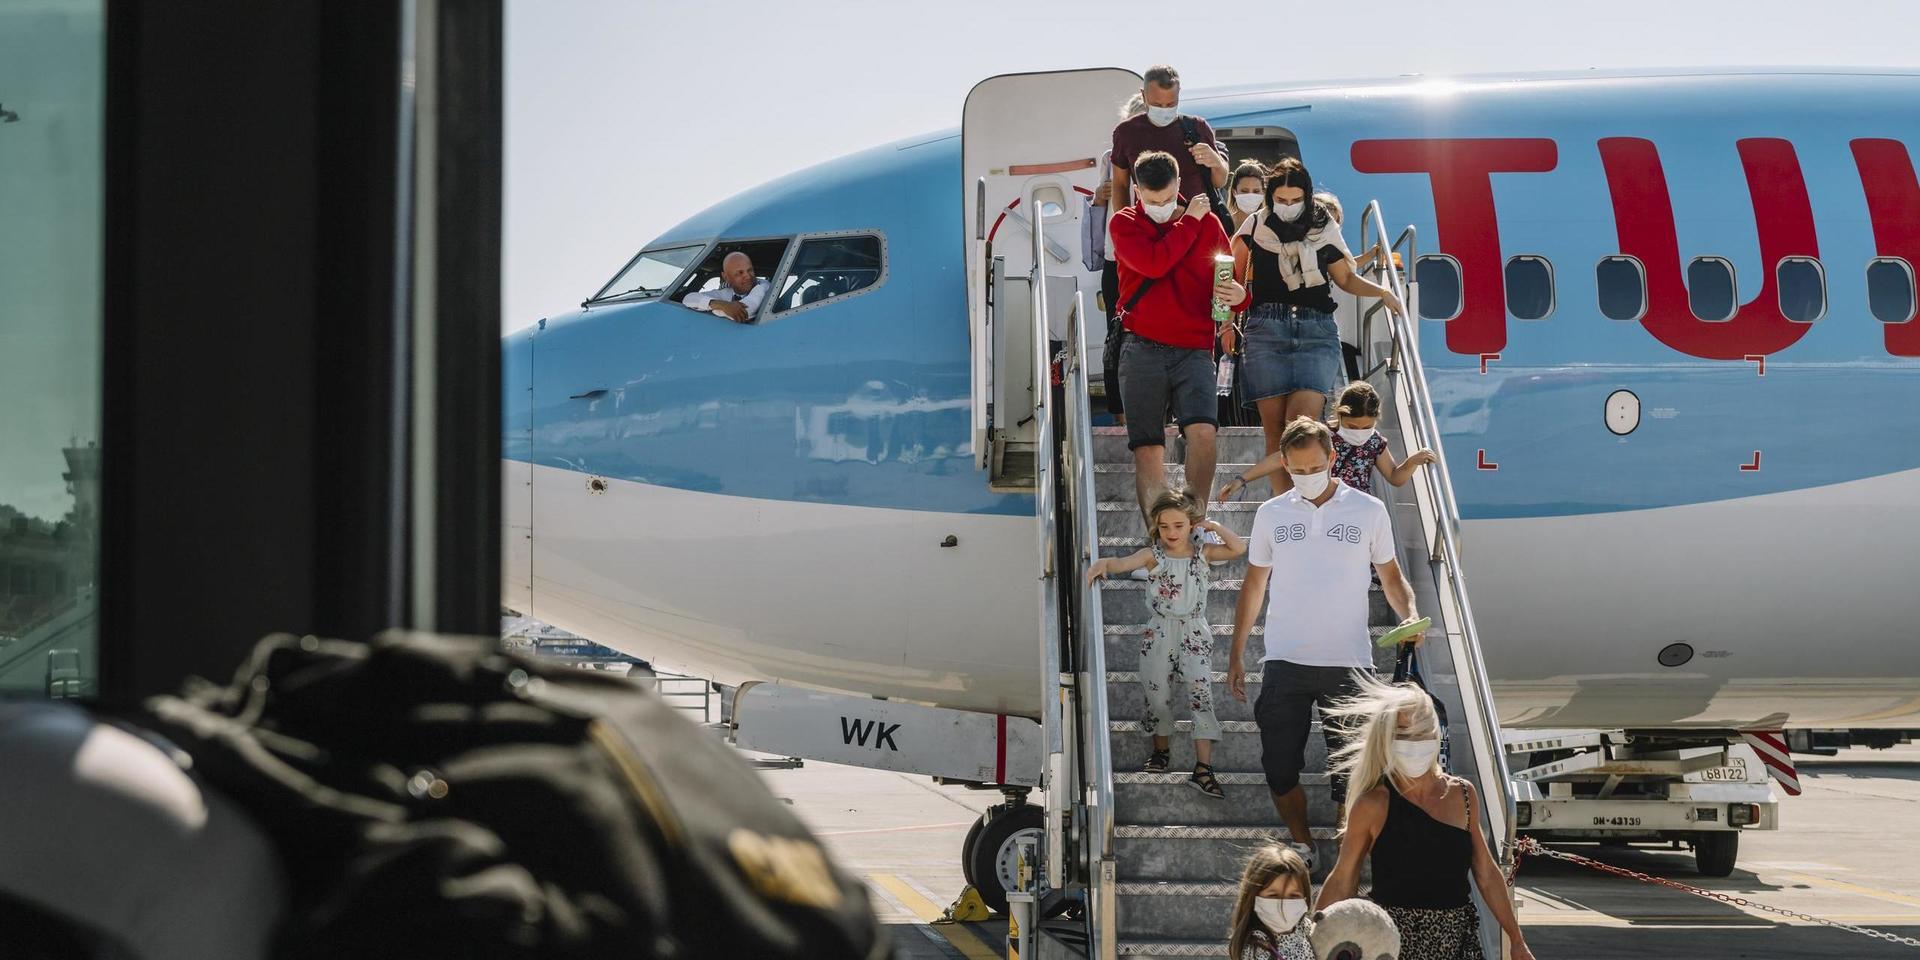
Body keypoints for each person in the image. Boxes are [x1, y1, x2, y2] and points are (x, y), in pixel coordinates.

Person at [1226, 417, 1424, 874]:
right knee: (1278, 768)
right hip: (1284, 662)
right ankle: (1303, 842)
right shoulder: (1271, 514)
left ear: (1333, 459)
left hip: (1349, 663)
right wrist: (1236, 652)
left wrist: (1409, 614)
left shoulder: (1369, 510)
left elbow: (1392, 578)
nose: (1306, 476)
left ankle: (1346, 848)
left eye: (1314, 466)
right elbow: (1254, 586)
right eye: (1296, 470)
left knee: (1353, 772)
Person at [1317, 675, 1535, 960]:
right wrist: (1313, 934)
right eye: (1404, 734)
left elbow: (1486, 871)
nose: (1415, 742)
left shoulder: (1463, 795)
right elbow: (1344, 877)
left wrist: (1516, 939)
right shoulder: (1374, 803)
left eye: (1423, 733)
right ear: (1386, 739)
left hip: (1456, 940)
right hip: (1390, 942)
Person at [1229, 160, 1405, 493]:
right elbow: (1230, 281)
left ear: (1307, 196)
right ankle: (1286, 511)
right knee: (1275, 434)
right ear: (1270, 197)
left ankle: (1309, 506)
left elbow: (1346, 278)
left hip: (1316, 330)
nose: (1287, 206)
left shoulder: (1324, 226)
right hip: (1266, 329)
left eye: (1294, 199)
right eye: (1280, 199)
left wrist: (1382, 291)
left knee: (1302, 428)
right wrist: (1227, 321)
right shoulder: (1253, 228)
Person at [1108, 150, 1245, 521]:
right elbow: (1155, 263)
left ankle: (1195, 524)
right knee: (1149, 448)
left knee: (1203, 433)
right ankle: (1159, 538)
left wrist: (1239, 297)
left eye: (1167, 199)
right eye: (1151, 201)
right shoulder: (1124, 222)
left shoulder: (1209, 222)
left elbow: (1226, 281)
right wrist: (1190, 221)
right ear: (1136, 190)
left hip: (1195, 349)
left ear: (1179, 185)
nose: (1160, 207)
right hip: (1141, 347)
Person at [1089, 491, 1245, 798]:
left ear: (1190, 525)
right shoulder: (1153, 556)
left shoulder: (1204, 553)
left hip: (1195, 631)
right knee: (1157, 695)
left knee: (1201, 695)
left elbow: (1239, 548)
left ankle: (1203, 769)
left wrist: (1213, 525)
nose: (1171, 533)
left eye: (1178, 525)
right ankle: (1161, 751)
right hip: (1159, 632)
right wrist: (1100, 563)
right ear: (1156, 528)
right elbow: (1120, 563)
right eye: (1164, 527)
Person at [1214, 381, 1435, 503]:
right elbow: (1279, 459)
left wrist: (1412, 462)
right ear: (1339, 415)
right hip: (1320, 500)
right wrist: (1242, 479)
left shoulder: (1375, 442)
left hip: (1354, 505)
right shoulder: (1321, 434)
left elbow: (1395, 477)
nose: (1360, 433)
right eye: (1352, 427)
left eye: (1366, 427)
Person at [1110, 65, 1232, 235]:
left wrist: (1216, 161)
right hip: (1150, 230)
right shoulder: (1126, 132)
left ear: (1179, 93)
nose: (1164, 110)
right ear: (1143, 95)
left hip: (1197, 227)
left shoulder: (1197, 127)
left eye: (1170, 104)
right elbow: (1120, 185)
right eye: (1157, 104)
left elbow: (1220, 182)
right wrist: (1125, 228)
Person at [1096, 93, 1149, 425]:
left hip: (1159, 256)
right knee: (1117, 334)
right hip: (1118, 258)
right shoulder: (1111, 156)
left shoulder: (1173, 157)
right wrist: (1100, 196)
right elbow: (1099, 203)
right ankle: (1120, 415)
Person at [1226, 842, 1316, 960]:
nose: (1283, 906)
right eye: (1273, 896)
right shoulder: (1255, 948)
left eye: (1293, 896)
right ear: (1253, 897)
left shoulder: (1306, 928)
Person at [680, 251, 768, 323]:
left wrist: (714, 309)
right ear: (726, 277)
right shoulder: (726, 292)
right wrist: (722, 305)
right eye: (740, 273)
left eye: (750, 270)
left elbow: (746, 311)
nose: (748, 276)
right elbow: (688, 298)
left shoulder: (763, 286)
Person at [1226, 160, 1270, 233]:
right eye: (1244, 191)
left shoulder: (1271, 225)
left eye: (1256, 191)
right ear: (1234, 192)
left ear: (1263, 192)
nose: (1250, 195)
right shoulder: (1224, 225)